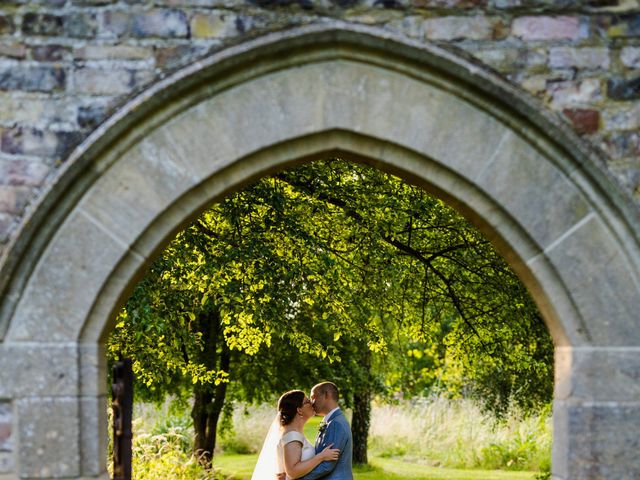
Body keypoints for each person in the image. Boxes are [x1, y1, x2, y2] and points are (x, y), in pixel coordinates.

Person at [251, 390, 340, 480]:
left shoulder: (293, 433)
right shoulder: (292, 436)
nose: (312, 403)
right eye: (307, 402)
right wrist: (321, 457)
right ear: (299, 410)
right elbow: (293, 471)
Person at [299, 382, 353, 480]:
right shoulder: (330, 420)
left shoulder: (336, 424)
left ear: (327, 395)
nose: (311, 402)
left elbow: (327, 466)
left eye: (313, 397)